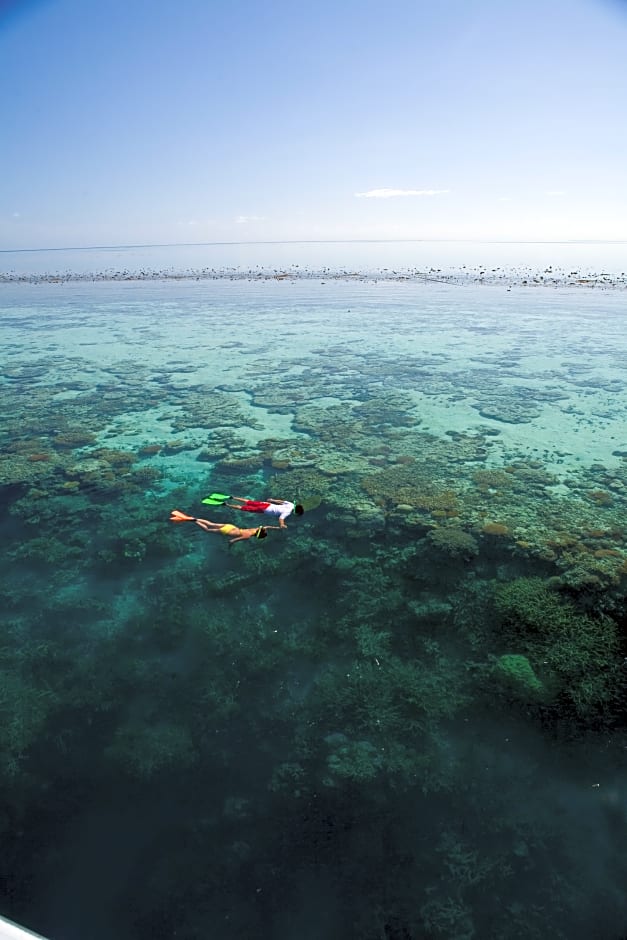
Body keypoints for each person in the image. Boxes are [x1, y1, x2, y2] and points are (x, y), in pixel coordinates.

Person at [170, 510, 279, 544]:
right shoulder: (248, 536)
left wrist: (276, 528)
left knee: (211, 523)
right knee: (207, 530)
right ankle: (193, 521)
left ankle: (194, 518)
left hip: (231, 526)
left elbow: (266, 527)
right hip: (227, 532)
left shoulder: (254, 529)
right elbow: (232, 540)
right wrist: (230, 546)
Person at [225, 496, 304, 529]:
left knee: (248, 502)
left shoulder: (291, 504)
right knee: (243, 508)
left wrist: (272, 500)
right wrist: (282, 525)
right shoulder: (288, 512)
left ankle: (232, 497)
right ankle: (227, 505)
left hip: (266, 504)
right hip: (265, 510)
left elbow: (281, 501)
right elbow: (281, 519)